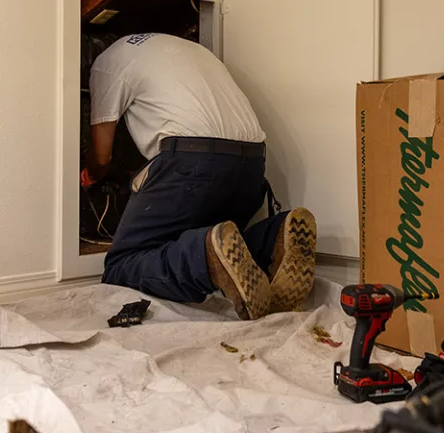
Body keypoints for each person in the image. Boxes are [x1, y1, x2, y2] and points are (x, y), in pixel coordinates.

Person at [83, 32, 316, 320]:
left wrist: (89, 175)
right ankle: (273, 236)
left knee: (121, 265)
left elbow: (102, 156)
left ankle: (206, 259)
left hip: (192, 163)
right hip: (251, 163)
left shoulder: (105, 65)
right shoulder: (177, 48)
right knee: (213, 241)